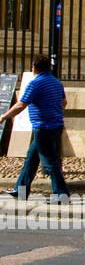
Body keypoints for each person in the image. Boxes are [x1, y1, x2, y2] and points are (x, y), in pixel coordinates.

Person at [1, 54, 70, 202]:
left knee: (50, 162)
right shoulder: (57, 83)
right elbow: (64, 102)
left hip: (42, 127)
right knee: (31, 159)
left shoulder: (35, 83)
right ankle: (21, 190)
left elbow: (21, 104)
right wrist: (53, 111)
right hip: (56, 125)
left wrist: (4, 116)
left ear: (34, 68)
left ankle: (61, 195)